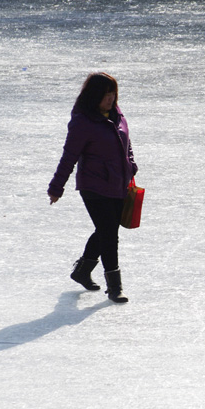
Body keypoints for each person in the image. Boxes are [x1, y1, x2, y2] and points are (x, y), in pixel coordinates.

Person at [47, 73, 138, 304]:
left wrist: (131, 164)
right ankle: (115, 286)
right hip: (94, 185)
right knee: (109, 233)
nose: (110, 99)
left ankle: (82, 271)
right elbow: (69, 156)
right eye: (105, 95)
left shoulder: (117, 114)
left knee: (105, 229)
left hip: (119, 183)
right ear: (94, 96)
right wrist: (57, 187)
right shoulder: (82, 122)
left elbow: (126, 143)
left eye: (113, 94)